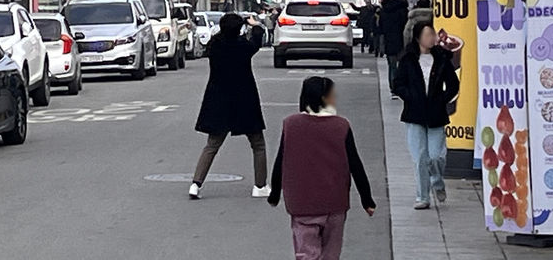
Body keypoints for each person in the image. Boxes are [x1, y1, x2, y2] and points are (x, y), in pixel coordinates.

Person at [268, 76, 376, 259]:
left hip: (302, 203)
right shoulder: (341, 126)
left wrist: (275, 192)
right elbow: (354, 164)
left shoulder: (291, 124)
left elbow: (281, 160)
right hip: (335, 201)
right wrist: (367, 199)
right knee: (331, 253)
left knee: (306, 253)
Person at [190, 13, 270, 199]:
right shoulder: (243, 47)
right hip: (244, 99)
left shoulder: (215, 45)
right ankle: (260, 185)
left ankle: (196, 183)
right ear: (239, 29)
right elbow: (257, 39)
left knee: (212, 145)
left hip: (218, 99)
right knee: (257, 143)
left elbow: (218, 39)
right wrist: (254, 24)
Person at [392, 22, 459, 210]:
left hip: (436, 113)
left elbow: (453, 84)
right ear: (418, 37)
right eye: (428, 34)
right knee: (420, 157)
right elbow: (398, 83)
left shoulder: (442, 58)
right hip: (414, 113)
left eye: (433, 34)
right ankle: (422, 196)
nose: (432, 38)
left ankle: (437, 182)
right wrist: (410, 97)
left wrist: (442, 99)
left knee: (437, 156)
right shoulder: (408, 59)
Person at [381, 0, 409, 97]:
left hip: (389, 40)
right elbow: (405, 26)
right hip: (401, 40)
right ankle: (401, 87)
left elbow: (381, 26)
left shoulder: (384, 9)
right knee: (403, 65)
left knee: (392, 66)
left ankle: (393, 89)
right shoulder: (402, 9)